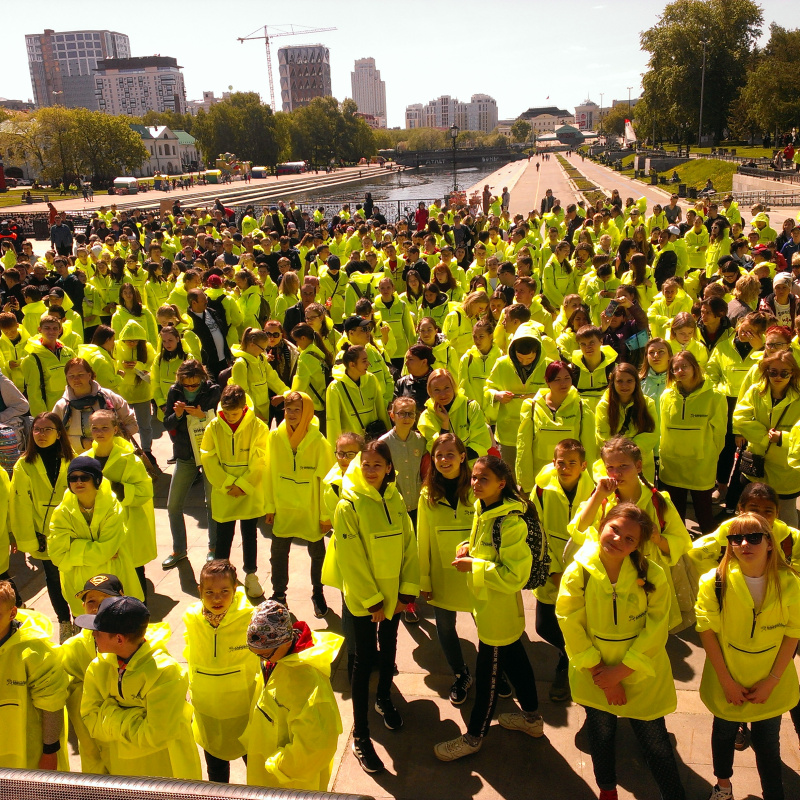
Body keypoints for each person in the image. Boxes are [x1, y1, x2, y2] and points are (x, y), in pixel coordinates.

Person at [557, 503, 686, 800]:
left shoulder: (652, 573)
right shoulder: (579, 571)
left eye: (630, 539)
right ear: (602, 524)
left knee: (656, 743)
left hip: (641, 675)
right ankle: (607, 790)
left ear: (638, 545)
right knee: (600, 737)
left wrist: (621, 672)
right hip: (597, 676)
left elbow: (657, 627)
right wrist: (600, 673)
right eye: (614, 530)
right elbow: (568, 621)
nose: (618, 540)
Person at [434, 456, 543, 762]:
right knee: (518, 662)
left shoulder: (509, 521)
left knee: (488, 679)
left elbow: (514, 576)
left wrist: (474, 566)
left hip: (498, 613)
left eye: (484, 479)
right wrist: (469, 547)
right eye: (474, 478)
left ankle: (473, 737)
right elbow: (488, 548)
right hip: (491, 609)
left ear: (502, 483)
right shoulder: (486, 508)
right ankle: (532, 719)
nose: (476, 484)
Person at [322, 440, 419, 774]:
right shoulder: (348, 504)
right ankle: (361, 735)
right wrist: (372, 600)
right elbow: (352, 558)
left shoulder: (396, 498)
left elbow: (409, 544)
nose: (371, 469)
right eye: (366, 464)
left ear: (389, 468)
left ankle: (384, 698)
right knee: (362, 660)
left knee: (389, 649)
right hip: (366, 600)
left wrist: (407, 590)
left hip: (392, 594)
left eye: (378, 464)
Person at [696, 513, 800, 800]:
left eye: (753, 537)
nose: (744, 543)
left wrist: (772, 680)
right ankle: (723, 786)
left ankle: (773, 792)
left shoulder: (789, 582)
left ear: (769, 542)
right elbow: (706, 631)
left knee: (768, 742)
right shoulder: (713, 581)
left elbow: (794, 632)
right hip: (728, 674)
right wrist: (726, 681)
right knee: (723, 733)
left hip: (771, 679)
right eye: (736, 538)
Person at [78, 595, 202, 779]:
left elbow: (155, 736)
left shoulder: (166, 673)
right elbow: (89, 719)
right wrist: (138, 717)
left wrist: (109, 711)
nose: (92, 634)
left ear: (119, 639)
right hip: (122, 772)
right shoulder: (98, 667)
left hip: (169, 774)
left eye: (98, 631)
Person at [60, 573, 171, 774]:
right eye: (90, 601)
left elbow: (157, 728)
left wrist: (104, 709)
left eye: (104, 601)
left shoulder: (151, 646)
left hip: (138, 753)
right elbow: (64, 690)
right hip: (94, 743)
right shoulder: (73, 648)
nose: (95, 608)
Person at [244, 599, 343, 790]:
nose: (261, 659)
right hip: (266, 762)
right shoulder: (274, 657)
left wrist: (277, 766)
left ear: (285, 641)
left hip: (291, 781)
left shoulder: (310, 685)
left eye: (264, 654)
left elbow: (317, 746)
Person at [183, 560, 258, 784]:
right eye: (210, 592)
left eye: (224, 591)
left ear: (236, 589)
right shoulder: (191, 617)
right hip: (208, 708)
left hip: (242, 706)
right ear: (200, 591)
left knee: (254, 765)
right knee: (215, 771)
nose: (217, 598)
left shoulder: (251, 618)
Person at [532, 439, 595, 702]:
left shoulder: (595, 494)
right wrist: (554, 572)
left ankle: (567, 666)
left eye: (572, 463)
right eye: (561, 462)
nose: (566, 468)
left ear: (583, 465)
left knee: (577, 621)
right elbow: (537, 532)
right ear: (553, 463)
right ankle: (574, 656)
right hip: (550, 571)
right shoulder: (543, 490)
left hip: (582, 572)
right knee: (544, 626)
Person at [418, 434, 476, 705]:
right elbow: (423, 538)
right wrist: (424, 579)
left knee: (485, 624)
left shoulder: (478, 488)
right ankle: (461, 673)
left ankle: (493, 673)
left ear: (463, 457)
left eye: (450, 454)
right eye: (439, 455)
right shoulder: (427, 494)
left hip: (476, 572)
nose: (443, 460)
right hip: (442, 574)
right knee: (445, 626)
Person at [265, 391, 335, 615]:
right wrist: (269, 507)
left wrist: (326, 515)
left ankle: (318, 592)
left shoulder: (318, 441)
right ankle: (278, 594)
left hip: (310, 507)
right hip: (283, 506)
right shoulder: (275, 437)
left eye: (297, 409)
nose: (292, 414)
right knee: (278, 552)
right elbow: (269, 472)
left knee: (317, 553)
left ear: (307, 412)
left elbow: (327, 481)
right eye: (288, 408)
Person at [201, 384, 269, 598]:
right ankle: (221, 576)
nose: (230, 417)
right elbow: (208, 456)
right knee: (223, 535)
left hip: (249, 490)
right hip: (224, 491)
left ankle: (251, 575)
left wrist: (244, 484)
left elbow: (261, 458)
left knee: (250, 534)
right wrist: (227, 483)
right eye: (227, 413)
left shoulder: (258, 426)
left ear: (244, 408)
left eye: (235, 413)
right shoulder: (213, 426)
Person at [83, 410, 155, 599]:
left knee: (135, 574)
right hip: (101, 528)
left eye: (105, 427)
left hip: (128, 527)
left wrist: (116, 489)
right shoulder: (85, 459)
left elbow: (145, 491)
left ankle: (140, 616)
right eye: (95, 428)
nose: (99, 432)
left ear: (115, 429)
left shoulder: (129, 458)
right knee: (107, 578)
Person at [0, 579, 69, 770]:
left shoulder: (36, 652)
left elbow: (52, 706)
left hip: (28, 753)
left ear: (12, 613)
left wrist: (49, 751)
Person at [659, 351, 727, 534]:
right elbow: (663, 429)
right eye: (675, 369)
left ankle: (712, 553)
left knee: (704, 514)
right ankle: (679, 553)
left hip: (700, 464)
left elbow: (720, 433)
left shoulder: (715, 396)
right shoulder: (666, 396)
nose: (680, 371)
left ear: (695, 367)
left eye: (684, 366)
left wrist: (710, 455)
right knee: (675, 515)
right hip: (673, 464)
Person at [162, 360, 220, 568]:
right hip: (185, 453)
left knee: (212, 504)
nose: (190, 389)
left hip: (208, 453)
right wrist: (177, 415)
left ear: (203, 379)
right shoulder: (174, 391)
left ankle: (214, 549)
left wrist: (203, 415)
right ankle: (179, 550)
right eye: (186, 385)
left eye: (194, 385)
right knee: (173, 505)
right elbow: (166, 423)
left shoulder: (213, 390)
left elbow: (221, 421)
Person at [733, 351, 800, 526]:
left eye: (784, 372)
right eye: (773, 372)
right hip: (757, 464)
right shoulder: (756, 391)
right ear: (766, 371)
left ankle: (789, 552)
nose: (778, 377)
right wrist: (764, 437)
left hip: (786, 469)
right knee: (753, 512)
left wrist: (783, 438)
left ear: (793, 373)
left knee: (786, 515)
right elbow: (740, 417)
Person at [516, 360, 596, 494]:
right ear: (548, 381)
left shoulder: (582, 407)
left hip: (572, 480)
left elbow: (588, 446)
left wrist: (589, 481)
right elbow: (523, 446)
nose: (563, 383)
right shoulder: (531, 406)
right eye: (557, 379)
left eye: (567, 378)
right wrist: (526, 483)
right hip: (540, 479)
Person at [485, 322, 551, 480]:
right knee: (509, 472)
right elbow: (487, 389)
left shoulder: (547, 365)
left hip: (538, 429)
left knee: (537, 471)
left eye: (529, 358)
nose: (524, 362)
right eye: (520, 358)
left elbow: (555, 393)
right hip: (509, 431)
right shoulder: (502, 364)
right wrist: (498, 395)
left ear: (538, 351)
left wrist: (538, 396)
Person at [52, 358, 137, 453]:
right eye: (71, 376)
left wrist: (112, 440)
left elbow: (132, 424)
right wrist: (81, 442)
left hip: (115, 455)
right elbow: (54, 436)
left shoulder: (109, 397)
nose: (76, 379)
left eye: (80, 375)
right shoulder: (61, 406)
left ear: (89, 375)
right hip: (79, 460)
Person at [595, 363, 659, 484]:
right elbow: (603, 436)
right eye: (620, 381)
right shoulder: (604, 406)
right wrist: (621, 455)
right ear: (613, 383)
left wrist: (631, 451)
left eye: (629, 381)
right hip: (614, 465)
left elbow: (652, 433)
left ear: (636, 382)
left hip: (641, 463)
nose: (624, 385)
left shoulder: (647, 403)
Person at [418, 368, 491, 462]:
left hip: (471, 469)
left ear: (454, 387)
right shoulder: (426, 416)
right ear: (430, 392)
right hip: (445, 470)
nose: (443, 394)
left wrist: (455, 459)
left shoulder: (470, 407)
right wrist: (444, 424)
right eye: (437, 390)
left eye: (447, 388)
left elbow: (482, 444)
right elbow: (437, 451)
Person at [325, 344, 390, 449]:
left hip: (373, 443)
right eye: (364, 361)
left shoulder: (372, 379)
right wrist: (335, 450)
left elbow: (381, 410)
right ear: (352, 364)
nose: (368, 364)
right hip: (350, 446)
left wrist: (388, 439)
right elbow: (333, 422)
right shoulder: (335, 387)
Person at [113, 320, 156, 465]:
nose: (131, 343)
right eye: (128, 341)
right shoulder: (116, 345)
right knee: (122, 425)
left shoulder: (147, 347)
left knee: (145, 425)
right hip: (123, 391)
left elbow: (152, 365)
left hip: (142, 391)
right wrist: (122, 366)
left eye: (135, 340)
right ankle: (127, 451)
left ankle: (147, 451)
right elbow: (112, 363)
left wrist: (137, 365)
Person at [230, 327, 290, 421]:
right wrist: (253, 414)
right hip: (251, 416)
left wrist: (287, 393)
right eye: (262, 348)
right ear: (252, 344)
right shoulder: (241, 364)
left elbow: (272, 378)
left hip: (264, 411)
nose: (263, 351)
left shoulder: (261, 358)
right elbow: (242, 394)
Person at [21, 314, 76, 416]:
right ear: (39, 329)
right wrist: (42, 416)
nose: (51, 332)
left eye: (55, 328)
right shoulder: (32, 359)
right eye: (47, 328)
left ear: (60, 330)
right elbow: (33, 393)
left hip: (72, 408)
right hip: (50, 412)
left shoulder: (69, 352)